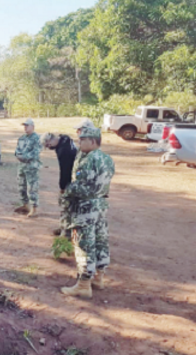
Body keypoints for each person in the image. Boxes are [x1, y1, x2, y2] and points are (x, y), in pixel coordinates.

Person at [60, 127, 115, 299]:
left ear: (92, 141)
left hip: (84, 208)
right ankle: (99, 278)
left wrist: (67, 190)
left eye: (82, 140)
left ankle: (83, 284)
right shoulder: (107, 159)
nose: (79, 143)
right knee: (100, 241)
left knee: (82, 243)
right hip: (100, 206)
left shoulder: (89, 160)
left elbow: (83, 187)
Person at [42, 132, 78, 235]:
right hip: (75, 173)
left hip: (72, 178)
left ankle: (66, 231)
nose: (49, 148)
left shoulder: (63, 151)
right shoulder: (65, 138)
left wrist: (62, 186)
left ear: (51, 140)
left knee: (65, 204)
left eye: (48, 145)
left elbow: (64, 170)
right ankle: (64, 226)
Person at [14, 118, 42, 217]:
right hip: (22, 166)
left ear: (33, 127)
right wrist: (18, 156)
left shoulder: (37, 138)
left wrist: (24, 157)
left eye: (27, 125)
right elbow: (17, 150)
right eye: (24, 125)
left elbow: (36, 152)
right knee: (21, 185)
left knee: (32, 187)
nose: (25, 127)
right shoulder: (22, 138)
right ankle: (25, 205)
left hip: (32, 166)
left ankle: (34, 208)